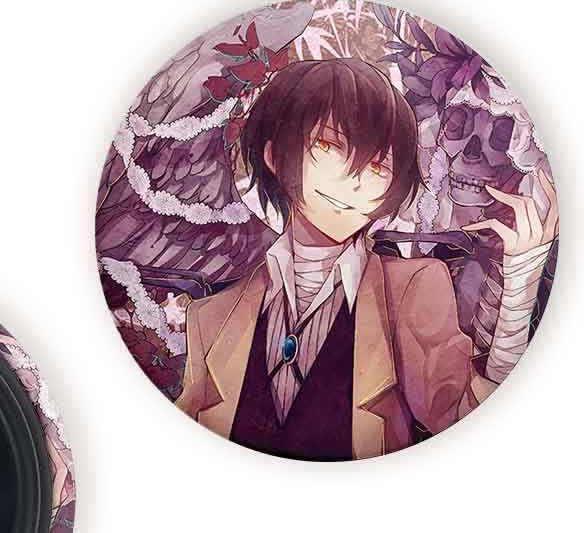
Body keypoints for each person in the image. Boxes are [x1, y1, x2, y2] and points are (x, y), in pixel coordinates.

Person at [175, 58, 558, 461]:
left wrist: (521, 285)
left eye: (378, 165)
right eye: (329, 146)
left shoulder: (411, 290)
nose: (355, 181)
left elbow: (469, 419)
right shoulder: (210, 318)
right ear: (274, 156)